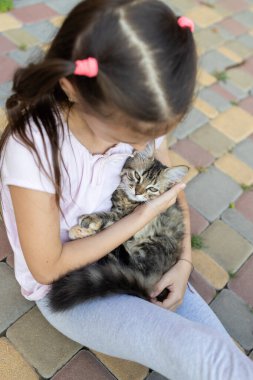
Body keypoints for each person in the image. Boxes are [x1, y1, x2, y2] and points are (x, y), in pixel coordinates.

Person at [0, 1, 252, 379]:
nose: (141, 145)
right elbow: (47, 267)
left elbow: (168, 183)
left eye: (152, 135)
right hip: (69, 282)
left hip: (134, 255)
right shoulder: (33, 150)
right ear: (72, 90)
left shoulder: (140, 116)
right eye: (127, 138)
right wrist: (141, 216)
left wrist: (184, 261)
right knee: (203, 353)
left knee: (224, 356)